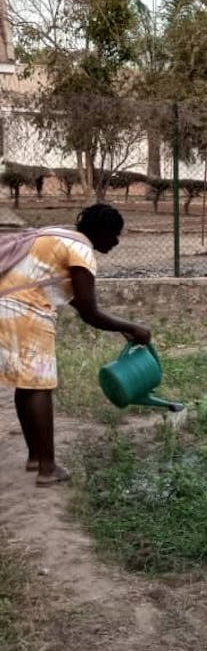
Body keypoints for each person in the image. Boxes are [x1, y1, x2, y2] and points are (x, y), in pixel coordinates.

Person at [0, 204, 151, 485]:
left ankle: (35, 457)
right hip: (26, 312)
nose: (116, 242)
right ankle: (48, 468)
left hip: (5, 306)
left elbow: (77, 303)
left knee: (27, 384)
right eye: (115, 235)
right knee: (41, 387)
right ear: (102, 232)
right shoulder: (81, 250)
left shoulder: (57, 236)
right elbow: (90, 312)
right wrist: (132, 328)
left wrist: (123, 329)